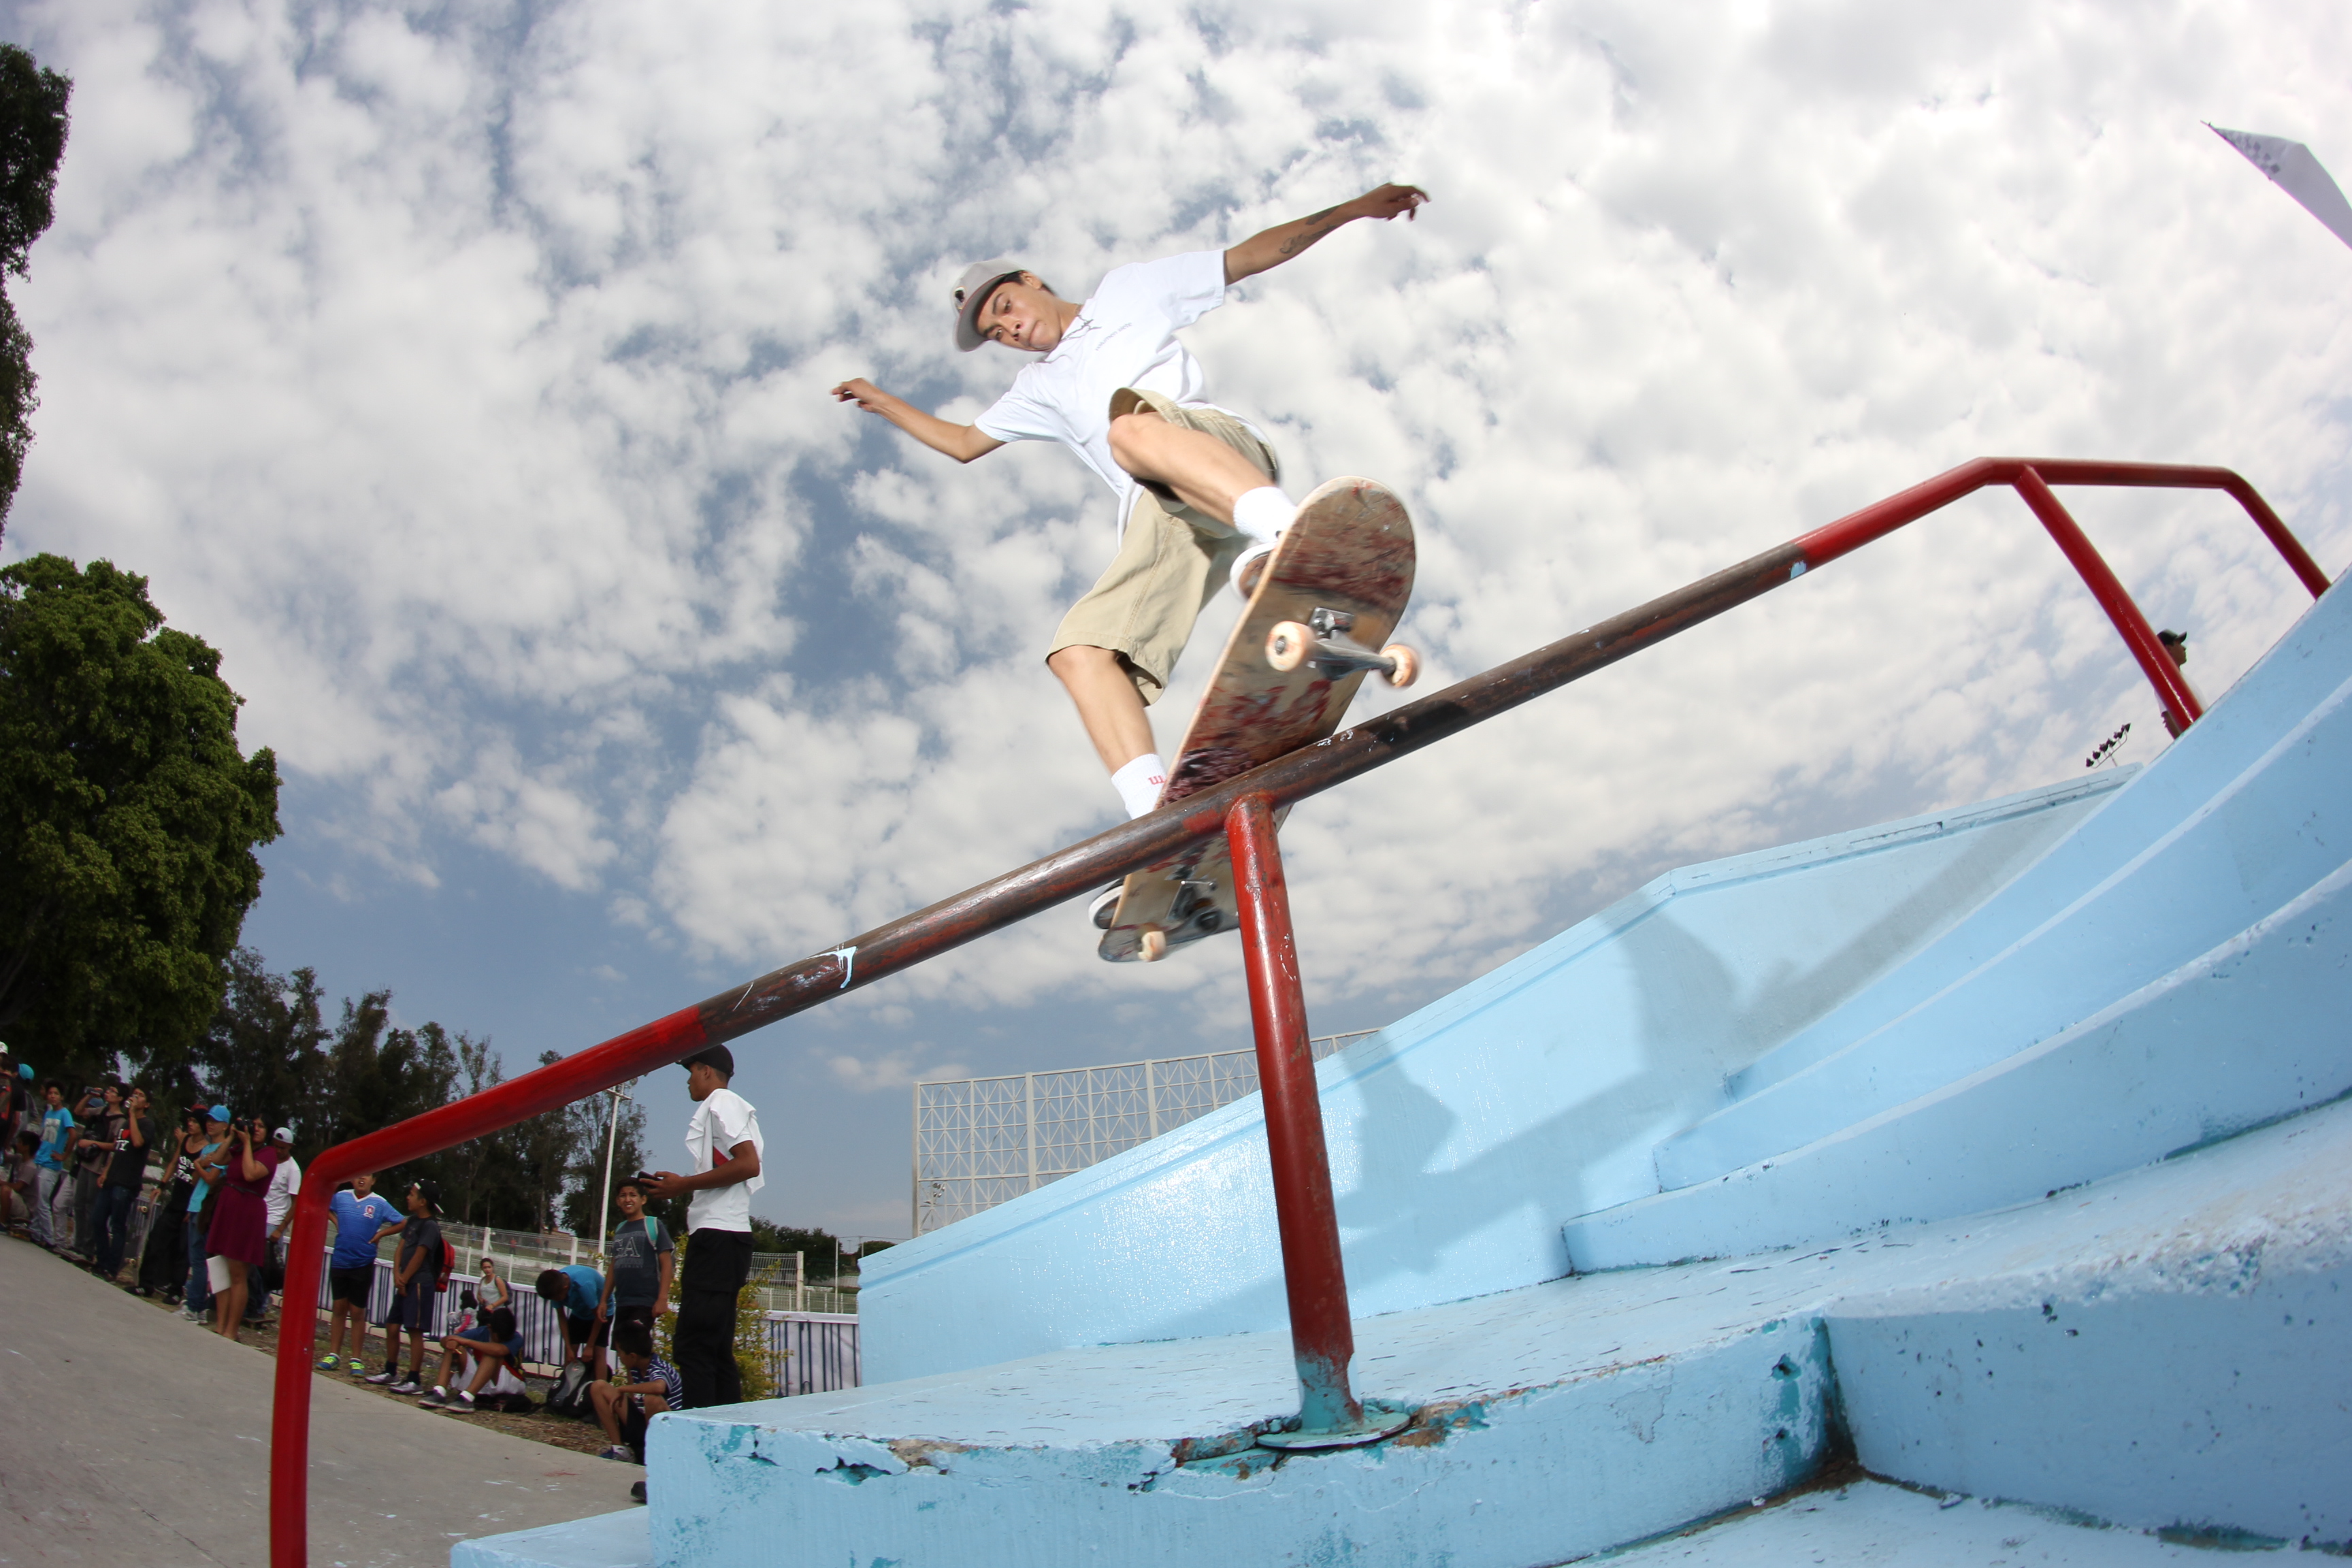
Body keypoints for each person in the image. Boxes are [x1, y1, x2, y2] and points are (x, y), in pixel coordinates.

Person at [830, 182, 1428, 911]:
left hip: (1215, 452)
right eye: (994, 333)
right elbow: (962, 443)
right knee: (1080, 653)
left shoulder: (1130, 292)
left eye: (1006, 309)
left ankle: (1286, 537)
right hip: (1160, 516)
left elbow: (1250, 255)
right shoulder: (1035, 388)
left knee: (1129, 429)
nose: (1009, 331)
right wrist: (882, 398)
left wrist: (1355, 209)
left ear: (1031, 282)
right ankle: (1160, 828)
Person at [640, 1044, 764, 1411]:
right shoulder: (732, 1108)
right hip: (729, 1238)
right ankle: (728, 1446)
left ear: (707, 1071)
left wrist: (681, 1186)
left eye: (691, 1071)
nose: (689, 1081)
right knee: (715, 1349)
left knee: (693, 1346)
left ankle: (702, 1447)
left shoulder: (721, 1102)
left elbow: (748, 1165)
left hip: (717, 1237)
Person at [318, 1172, 404, 1375]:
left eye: (367, 1176)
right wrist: (336, 1222)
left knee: (357, 1312)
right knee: (339, 1308)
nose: (362, 1179)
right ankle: (333, 1354)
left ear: (374, 1180)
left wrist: (381, 1234)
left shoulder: (379, 1203)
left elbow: (402, 1223)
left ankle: (356, 1358)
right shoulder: (341, 1197)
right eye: (358, 1176)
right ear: (351, 1179)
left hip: (363, 1262)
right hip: (340, 1259)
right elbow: (324, 1207)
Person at [205, 1114, 280, 1341]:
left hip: (248, 1210)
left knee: (238, 1273)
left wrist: (247, 1144)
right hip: (228, 1206)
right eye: (253, 1125)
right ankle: (220, 1324)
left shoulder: (269, 1154)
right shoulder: (238, 1147)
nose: (255, 1129)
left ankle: (232, 1329)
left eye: (261, 1126)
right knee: (219, 1265)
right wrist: (230, 1137)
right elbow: (216, 1159)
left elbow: (250, 1173)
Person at [366, 1178, 444, 1394]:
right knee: (392, 1326)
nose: (407, 1198)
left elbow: (420, 1255)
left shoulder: (430, 1227)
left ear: (423, 1202)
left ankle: (414, 1379)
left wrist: (406, 1279)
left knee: (414, 1331)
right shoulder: (411, 1221)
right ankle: (391, 1370)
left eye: (412, 1194)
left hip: (419, 1283)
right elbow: (401, 1248)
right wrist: (397, 1275)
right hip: (404, 1282)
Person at [589, 1320, 684, 1465]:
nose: (619, 1357)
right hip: (643, 1422)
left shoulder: (658, 1367)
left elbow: (659, 1387)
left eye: (620, 1352)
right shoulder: (635, 1367)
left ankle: (656, 1455)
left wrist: (622, 1389)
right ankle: (620, 1451)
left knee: (652, 1399)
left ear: (633, 1356)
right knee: (598, 1387)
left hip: (667, 1431)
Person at [87, 1085, 156, 1281]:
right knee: (98, 1220)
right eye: (134, 1093)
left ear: (147, 1104)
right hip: (113, 1178)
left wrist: (133, 1115)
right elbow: (119, 1150)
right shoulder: (126, 1123)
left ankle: (112, 1267)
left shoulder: (146, 1124)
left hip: (126, 1183)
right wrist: (106, 1172)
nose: (136, 1097)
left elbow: (137, 1143)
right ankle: (101, 1261)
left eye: (140, 1095)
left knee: (118, 1225)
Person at [598, 1177, 674, 1348]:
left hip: (645, 1301)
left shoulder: (653, 1225)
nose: (628, 1199)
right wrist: (604, 1300)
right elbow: (614, 1266)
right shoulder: (620, 1229)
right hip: (623, 1301)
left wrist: (662, 1298)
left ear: (643, 1199)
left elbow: (666, 1263)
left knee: (635, 1348)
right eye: (623, 1196)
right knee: (622, 1349)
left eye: (633, 1195)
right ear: (618, 1201)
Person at [137, 1111, 203, 1300]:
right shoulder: (185, 1142)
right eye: (189, 1120)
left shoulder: (206, 1149)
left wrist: (193, 1208)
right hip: (175, 1201)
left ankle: (175, 1290)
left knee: (183, 1250)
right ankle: (146, 1284)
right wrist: (162, 1185)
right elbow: (174, 1163)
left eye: (195, 1122)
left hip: (190, 1206)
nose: (190, 1124)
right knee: (156, 1239)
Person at [419, 1304, 528, 1411]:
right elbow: (445, 1341)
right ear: (490, 1328)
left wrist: (467, 1341)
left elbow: (499, 1350)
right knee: (454, 1347)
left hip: (509, 1382)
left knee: (492, 1353)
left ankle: (468, 1398)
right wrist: (452, 1342)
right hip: (485, 1379)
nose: (503, 1339)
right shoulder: (483, 1331)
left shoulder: (517, 1337)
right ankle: (440, 1392)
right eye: (500, 1336)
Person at [180, 1107, 232, 1321]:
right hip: (195, 1204)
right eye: (209, 1120)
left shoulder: (222, 1150)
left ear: (225, 1126)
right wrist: (200, 1164)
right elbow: (195, 1179)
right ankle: (197, 1303)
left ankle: (195, 1306)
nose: (210, 1125)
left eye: (215, 1122)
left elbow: (211, 1179)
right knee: (195, 1256)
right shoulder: (207, 1148)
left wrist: (200, 1166)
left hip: (206, 1207)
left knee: (200, 1258)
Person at [254, 1126, 302, 1324]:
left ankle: (260, 1307)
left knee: (266, 1269)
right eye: (276, 1146)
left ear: (290, 1147)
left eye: (283, 1148)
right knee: (251, 1266)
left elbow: (295, 1204)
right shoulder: (267, 1160)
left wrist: (281, 1229)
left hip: (273, 1223)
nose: (279, 1151)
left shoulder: (293, 1170)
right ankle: (251, 1303)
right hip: (257, 1217)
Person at [535, 1262, 610, 1378]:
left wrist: (589, 1346)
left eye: (557, 1298)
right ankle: (567, 1389)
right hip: (579, 1312)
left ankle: (601, 1389)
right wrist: (569, 1348)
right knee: (570, 1353)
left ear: (565, 1288)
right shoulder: (555, 1287)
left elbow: (598, 1317)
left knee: (598, 1352)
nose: (556, 1300)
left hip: (601, 1311)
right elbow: (562, 1317)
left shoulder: (584, 1285)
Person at [29, 1080, 75, 1250]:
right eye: (50, 1094)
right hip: (40, 1159)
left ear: (61, 1096)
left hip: (51, 1164)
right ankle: (35, 1231)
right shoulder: (48, 1114)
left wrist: (64, 1155)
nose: (52, 1096)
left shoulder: (65, 1114)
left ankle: (49, 1238)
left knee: (43, 1201)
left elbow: (73, 1134)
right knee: (37, 1198)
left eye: (56, 1094)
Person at [68, 1082, 112, 1255]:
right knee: (78, 1204)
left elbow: (115, 1146)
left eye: (112, 1091)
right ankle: (78, 1243)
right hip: (85, 1163)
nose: (108, 1093)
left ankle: (87, 1247)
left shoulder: (118, 1119)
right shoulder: (100, 1111)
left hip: (97, 1167)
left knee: (89, 1207)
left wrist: (93, 1143)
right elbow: (78, 1111)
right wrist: (90, 1095)